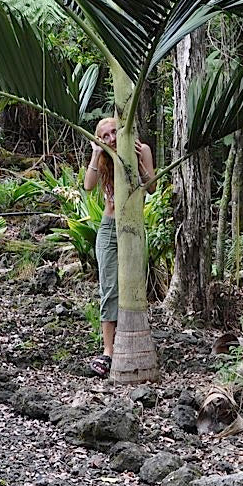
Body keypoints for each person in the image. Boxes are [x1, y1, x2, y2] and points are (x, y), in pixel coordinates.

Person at [83, 116, 156, 377]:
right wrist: (96, 153)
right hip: (108, 229)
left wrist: (139, 161)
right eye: (105, 135)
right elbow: (88, 186)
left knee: (132, 289)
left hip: (132, 230)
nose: (112, 138)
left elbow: (151, 186)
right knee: (109, 289)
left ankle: (132, 342)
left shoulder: (141, 149)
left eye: (115, 132)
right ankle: (108, 352)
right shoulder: (103, 158)